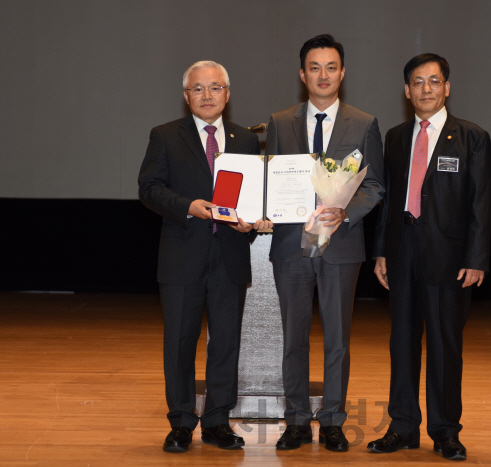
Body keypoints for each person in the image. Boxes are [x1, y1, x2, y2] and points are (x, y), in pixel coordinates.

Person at [256, 34, 384, 452]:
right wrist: (266, 211)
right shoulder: (279, 121)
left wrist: (347, 212)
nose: (323, 75)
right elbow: (269, 183)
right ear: (302, 74)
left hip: (342, 246)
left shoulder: (364, 124)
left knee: (338, 338)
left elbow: (376, 185)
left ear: (342, 73)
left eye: (331, 67)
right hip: (291, 246)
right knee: (292, 336)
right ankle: (296, 421)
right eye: (315, 67)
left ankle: (331, 420)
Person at [367, 53, 491, 461]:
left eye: (434, 81)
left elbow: (480, 203)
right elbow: (387, 201)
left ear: (447, 87)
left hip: (449, 256)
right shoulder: (397, 136)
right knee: (401, 342)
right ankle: (403, 426)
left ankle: (444, 431)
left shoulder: (472, 137)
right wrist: (382, 252)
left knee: (444, 345)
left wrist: (477, 258)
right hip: (402, 252)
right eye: (418, 82)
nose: (426, 89)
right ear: (406, 91)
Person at [138, 60, 262, 453]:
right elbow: (149, 188)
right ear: (186, 95)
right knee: (179, 342)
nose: (206, 96)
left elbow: (252, 196)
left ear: (227, 93)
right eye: (198, 89)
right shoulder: (165, 136)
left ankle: (218, 421)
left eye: (215, 88)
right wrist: (188, 205)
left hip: (230, 255)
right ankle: (180, 422)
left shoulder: (245, 139)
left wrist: (251, 221)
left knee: (226, 342)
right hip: (181, 256)